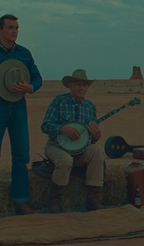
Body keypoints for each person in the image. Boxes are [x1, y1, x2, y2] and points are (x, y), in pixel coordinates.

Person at [0, 14, 42, 218]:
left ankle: (21, 202)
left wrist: (30, 87)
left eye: (17, 27)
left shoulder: (25, 53)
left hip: (19, 107)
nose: (14, 31)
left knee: (21, 157)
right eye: (11, 27)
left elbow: (38, 78)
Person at [41, 69, 105, 213]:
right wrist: (62, 129)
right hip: (56, 147)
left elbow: (89, 140)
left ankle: (92, 198)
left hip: (80, 150)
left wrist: (96, 136)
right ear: (70, 86)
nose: (81, 88)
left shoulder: (90, 107)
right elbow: (45, 125)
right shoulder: (59, 101)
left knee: (97, 151)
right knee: (65, 160)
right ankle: (55, 199)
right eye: (78, 84)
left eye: (84, 85)